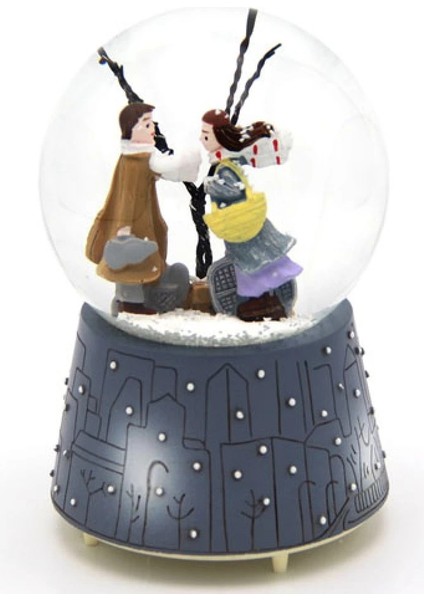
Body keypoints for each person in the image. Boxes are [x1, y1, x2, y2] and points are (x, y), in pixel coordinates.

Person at [86, 102, 199, 314]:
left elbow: (165, 169)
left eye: (152, 124)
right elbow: (161, 169)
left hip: (139, 219)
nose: (152, 129)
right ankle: (131, 305)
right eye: (146, 125)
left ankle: (141, 294)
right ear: (131, 130)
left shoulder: (135, 157)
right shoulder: (137, 160)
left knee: (139, 258)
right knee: (131, 263)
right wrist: (124, 229)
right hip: (131, 224)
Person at [200, 109, 302, 321]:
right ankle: (259, 298)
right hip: (242, 225)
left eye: (206, 135)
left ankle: (259, 300)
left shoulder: (224, 167)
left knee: (248, 263)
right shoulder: (228, 160)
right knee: (253, 262)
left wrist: (212, 186)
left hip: (241, 227)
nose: (201, 139)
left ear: (220, 137)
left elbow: (234, 190)